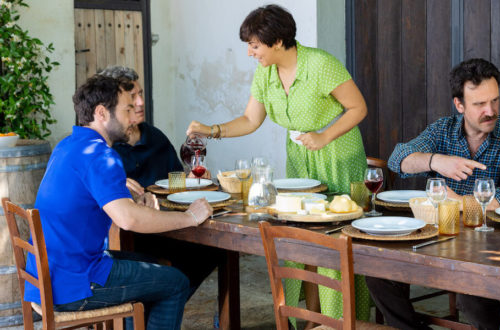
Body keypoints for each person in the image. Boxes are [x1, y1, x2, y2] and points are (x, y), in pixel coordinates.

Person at [185, 4, 370, 326]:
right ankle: (310, 321)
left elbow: (358, 108)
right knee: (303, 238)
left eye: (254, 44)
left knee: (333, 240)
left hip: (337, 155)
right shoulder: (265, 72)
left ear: (278, 41)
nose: (249, 52)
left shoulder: (320, 64)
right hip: (300, 159)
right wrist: (210, 130)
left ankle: (338, 321)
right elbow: (250, 120)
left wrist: (324, 136)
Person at [25, 75, 213, 329]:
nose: (132, 117)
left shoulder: (67, 146)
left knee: (155, 265)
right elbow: (128, 219)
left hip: (49, 276)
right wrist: (190, 217)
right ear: (102, 113)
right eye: (126, 110)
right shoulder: (101, 156)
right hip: (75, 283)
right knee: (176, 282)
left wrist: (133, 198)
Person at [366, 58, 500, 330]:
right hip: (438, 238)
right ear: (459, 105)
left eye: (494, 101)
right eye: (479, 104)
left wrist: (458, 202)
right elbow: (398, 158)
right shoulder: (442, 130)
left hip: (489, 243)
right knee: (378, 272)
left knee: (471, 294)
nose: (490, 111)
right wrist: (437, 161)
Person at [99, 66, 224, 302]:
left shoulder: (153, 136)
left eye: (140, 94)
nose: (140, 102)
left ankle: (160, 304)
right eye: (131, 98)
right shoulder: (105, 147)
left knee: (217, 249)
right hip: (128, 236)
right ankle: (158, 303)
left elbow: (169, 180)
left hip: (166, 229)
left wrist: (188, 180)